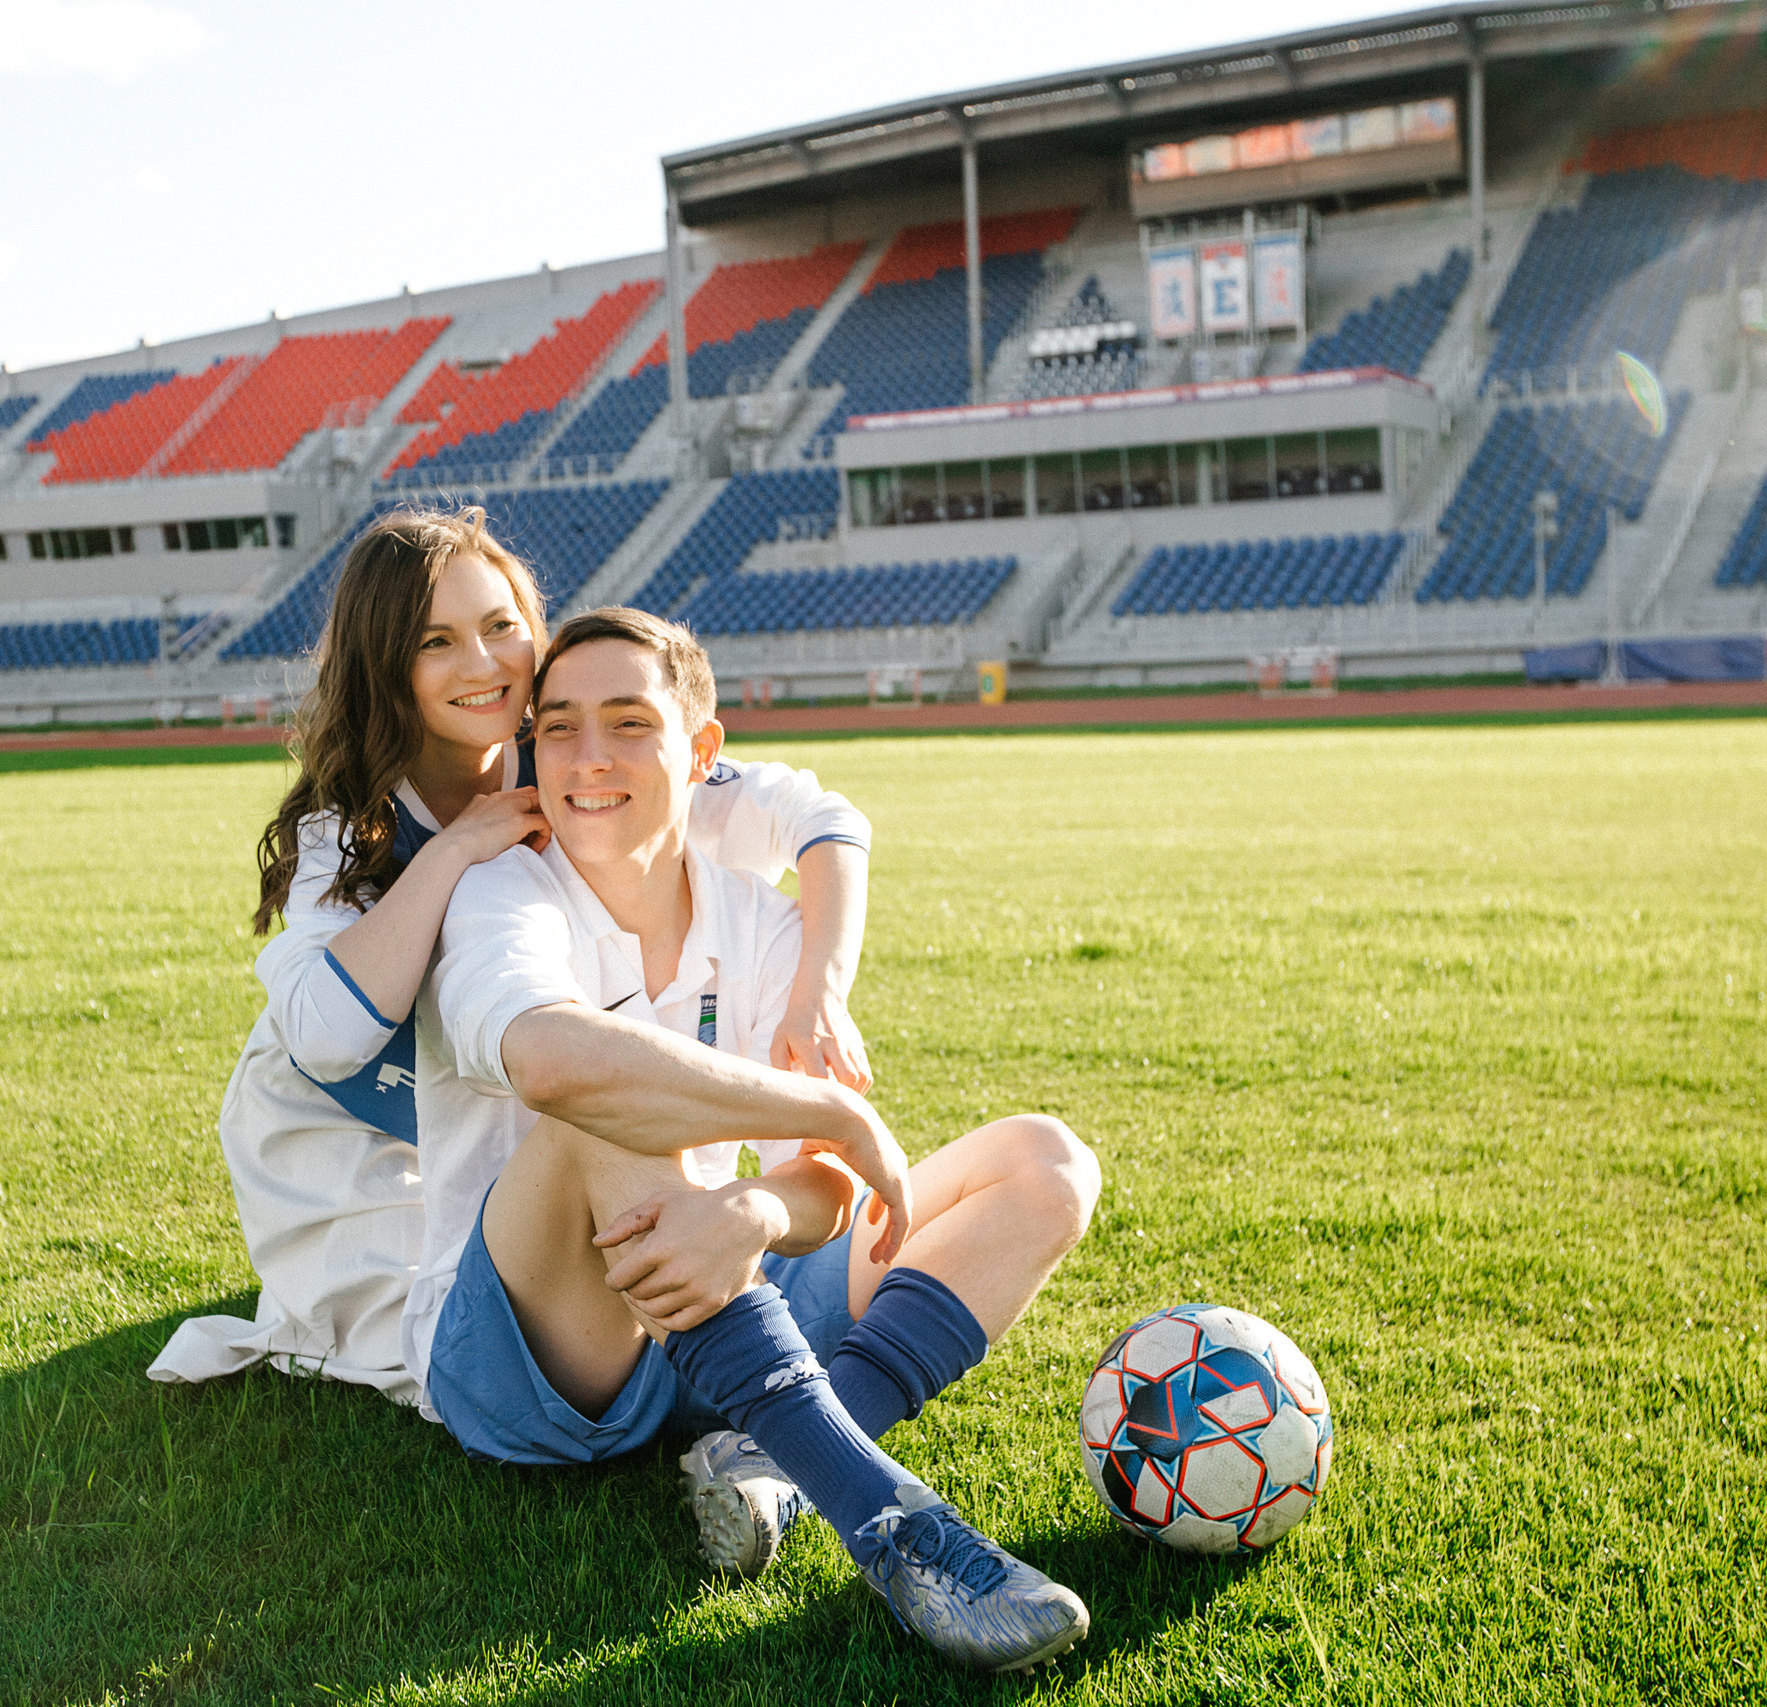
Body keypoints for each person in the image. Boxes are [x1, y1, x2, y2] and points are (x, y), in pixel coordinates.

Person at [411, 608, 1101, 1673]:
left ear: (701, 752)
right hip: (536, 1356)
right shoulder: (503, 892)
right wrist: (830, 1115)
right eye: (558, 728)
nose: (588, 759)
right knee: (598, 1104)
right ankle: (892, 1525)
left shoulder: (757, 918)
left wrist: (757, 1207)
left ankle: (771, 1459)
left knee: (1046, 1163)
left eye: (629, 723)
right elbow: (551, 1062)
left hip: (708, 1292)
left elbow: (829, 1187)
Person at [151, 509, 876, 1402]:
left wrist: (819, 993)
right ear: (385, 665)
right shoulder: (350, 821)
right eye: (436, 641)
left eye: (501, 626)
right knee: (426, 1339)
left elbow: (825, 821)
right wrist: (455, 850)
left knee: (586, 1240)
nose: (483, 662)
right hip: (346, 1120)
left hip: (484, 1102)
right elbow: (325, 1039)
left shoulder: (576, 751)